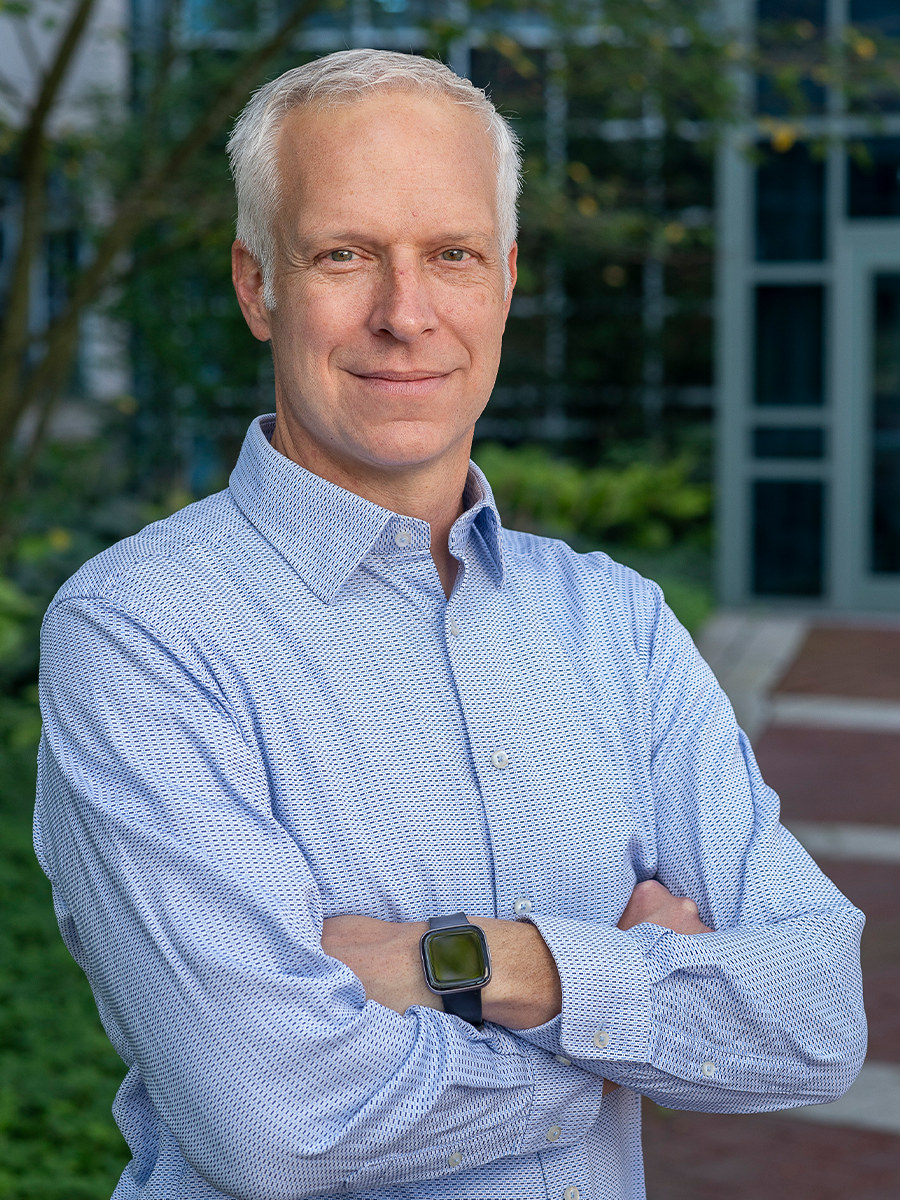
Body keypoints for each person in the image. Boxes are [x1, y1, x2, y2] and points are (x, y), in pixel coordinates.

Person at [35, 49, 865, 1200]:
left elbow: (819, 1015)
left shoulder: (613, 622)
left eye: (452, 255)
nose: (405, 313)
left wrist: (478, 965)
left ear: (506, 280)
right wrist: (632, 1029)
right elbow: (278, 1118)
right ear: (256, 284)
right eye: (345, 255)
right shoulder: (143, 632)